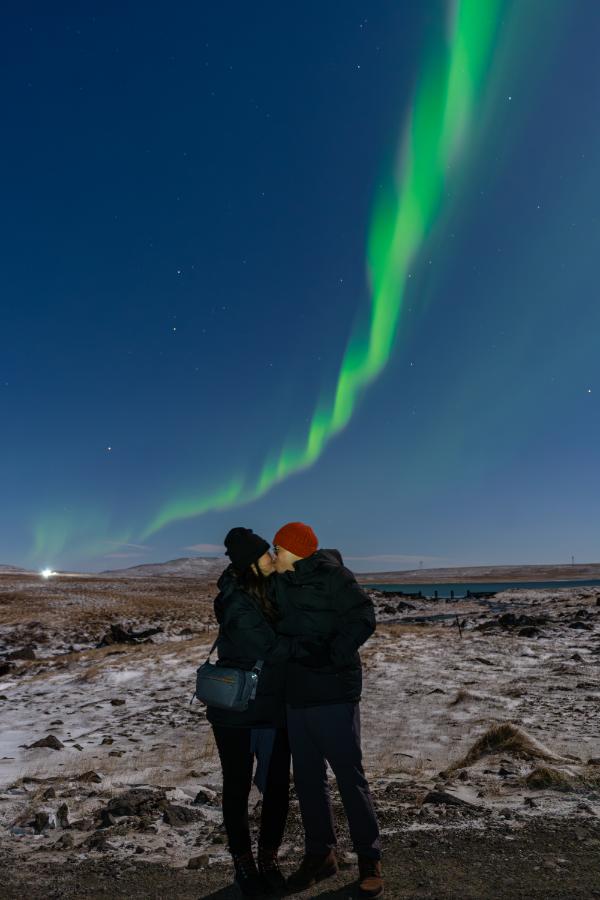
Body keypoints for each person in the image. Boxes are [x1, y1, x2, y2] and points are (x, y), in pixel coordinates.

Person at [272, 521, 384, 899]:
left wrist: (330, 654)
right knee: (307, 781)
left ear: (298, 550)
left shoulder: (335, 577)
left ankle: (370, 858)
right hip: (297, 694)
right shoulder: (281, 580)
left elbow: (364, 618)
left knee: (349, 777)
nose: (275, 554)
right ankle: (321, 854)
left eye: (279, 548)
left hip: (334, 691)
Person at [207, 526, 307, 897]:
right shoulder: (235, 600)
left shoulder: (271, 588)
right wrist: (302, 643)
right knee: (236, 786)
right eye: (266, 554)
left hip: (271, 707)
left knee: (278, 786)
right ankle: (244, 863)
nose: (273, 558)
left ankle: (268, 858)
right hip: (236, 710)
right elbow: (268, 646)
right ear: (251, 563)